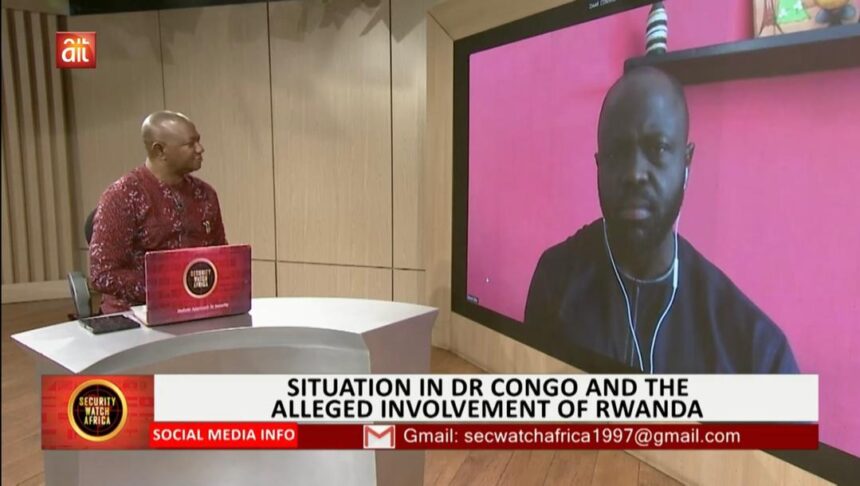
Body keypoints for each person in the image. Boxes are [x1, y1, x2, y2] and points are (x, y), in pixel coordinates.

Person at [524, 67, 798, 374]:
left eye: (658, 148)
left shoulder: (756, 351)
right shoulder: (555, 281)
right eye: (618, 151)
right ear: (599, 166)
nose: (635, 174)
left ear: (686, 161)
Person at [89, 111, 227, 314]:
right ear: (160, 150)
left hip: (198, 309)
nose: (200, 149)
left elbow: (221, 257)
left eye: (199, 141)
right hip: (135, 314)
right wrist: (168, 287)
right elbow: (102, 274)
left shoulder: (205, 194)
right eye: (191, 144)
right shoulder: (122, 196)